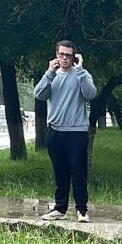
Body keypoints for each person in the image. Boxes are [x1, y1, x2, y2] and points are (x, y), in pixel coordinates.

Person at [34, 39, 97, 222]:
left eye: (68, 55)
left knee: (78, 172)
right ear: (56, 55)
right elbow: (39, 94)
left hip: (76, 132)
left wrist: (80, 70)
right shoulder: (52, 76)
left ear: (74, 57)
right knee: (60, 172)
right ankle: (60, 209)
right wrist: (49, 73)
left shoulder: (82, 75)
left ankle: (82, 210)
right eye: (61, 54)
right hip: (55, 132)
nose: (64, 58)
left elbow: (90, 94)